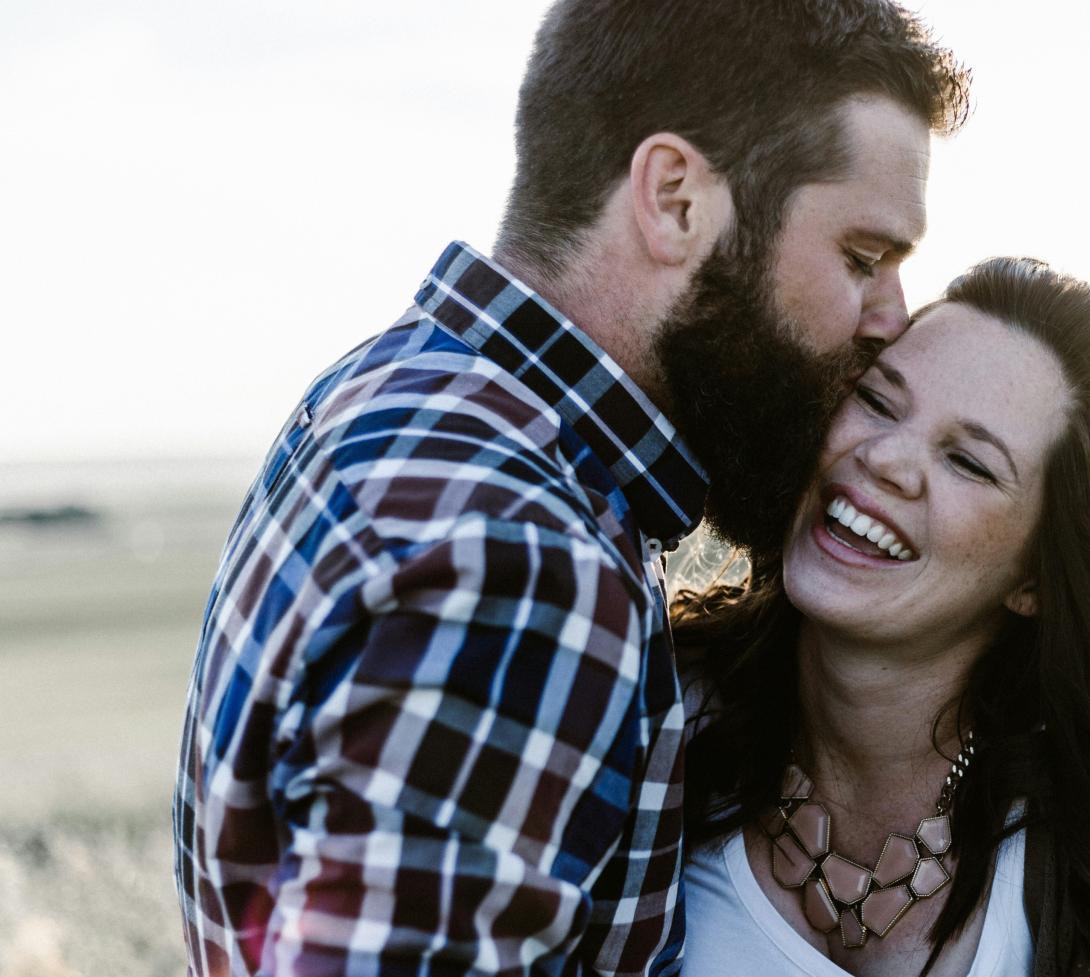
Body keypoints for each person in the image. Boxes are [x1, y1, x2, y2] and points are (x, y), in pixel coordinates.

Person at [172, 2, 969, 973]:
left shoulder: (396, 386)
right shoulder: (521, 555)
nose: (889, 316)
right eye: (860, 257)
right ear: (675, 197)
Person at [672, 257, 1090, 977]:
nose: (884, 459)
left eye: (967, 462)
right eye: (878, 401)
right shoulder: (656, 707)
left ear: (1035, 577)